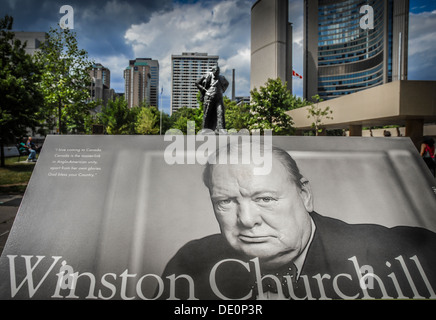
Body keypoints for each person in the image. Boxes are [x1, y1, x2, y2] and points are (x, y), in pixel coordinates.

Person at [159, 142, 436, 300]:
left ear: (304, 195)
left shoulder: (398, 253)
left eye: (264, 198)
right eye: (225, 202)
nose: (246, 220)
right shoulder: (190, 263)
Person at [195, 65, 229, 133]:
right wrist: (204, 89)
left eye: (218, 71)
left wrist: (223, 90)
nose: (217, 72)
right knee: (207, 113)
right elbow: (197, 83)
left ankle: (221, 129)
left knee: (220, 112)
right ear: (212, 71)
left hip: (219, 98)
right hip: (209, 97)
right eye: (216, 71)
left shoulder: (222, 78)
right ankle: (205, 129)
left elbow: (227, 83)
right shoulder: (207, 76)